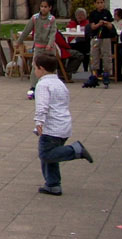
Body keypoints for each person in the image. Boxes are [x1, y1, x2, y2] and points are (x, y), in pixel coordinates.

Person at [32, 53, 94, 195]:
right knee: (51, 157)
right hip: (63, 124)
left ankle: (75, 150)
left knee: (46, 154)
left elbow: (42, 106)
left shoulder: (43, 84)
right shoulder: (59, 83)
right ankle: (53, 184)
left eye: (35, 68)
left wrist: (38, 121)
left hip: (52, 127)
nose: (35, 71)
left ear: (41, 69)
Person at [18, 0, 58, 98]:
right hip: (39, 47)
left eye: (45, 7)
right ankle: (33, 87)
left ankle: (54, 88)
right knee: (35, 67)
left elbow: (53, 32)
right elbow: (27, 30)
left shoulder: (51, 19)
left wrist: (50, 43)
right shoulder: (35, 18)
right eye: (42, 6)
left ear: (50, 8)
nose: (43, 9)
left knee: (51, 68)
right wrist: (19, 41)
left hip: (49, 48)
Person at [82, 0, 116, 89]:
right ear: (94, 4)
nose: (100, 5)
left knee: (107, 56)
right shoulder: (93, 14)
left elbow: (110, 26)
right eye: (98, 3)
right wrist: (98, 24)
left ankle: (106, 75)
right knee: (94, 56)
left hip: (106, 37)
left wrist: (106, 23)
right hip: (96, 37)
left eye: (101, 2)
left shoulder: (107, 13)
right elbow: (92, 27)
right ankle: (94, 76)